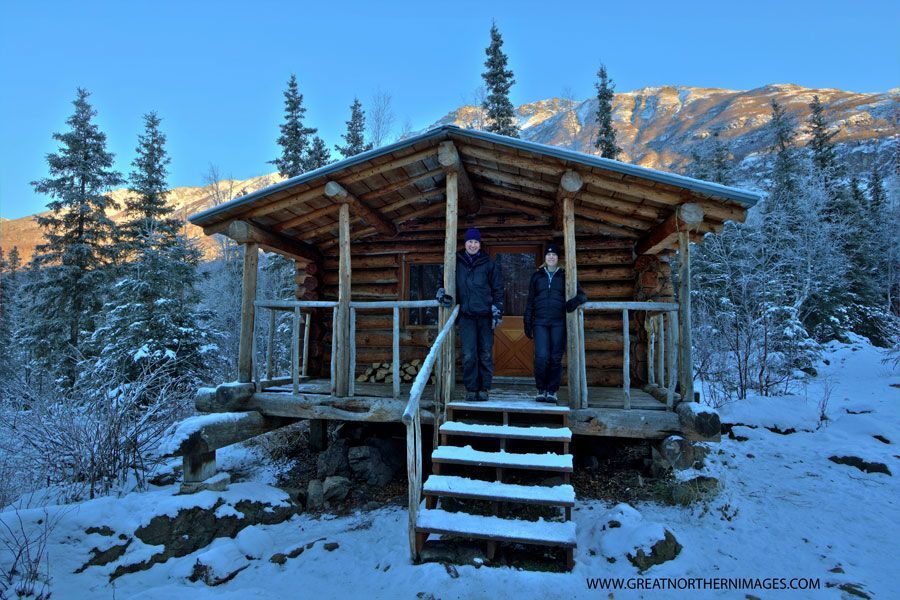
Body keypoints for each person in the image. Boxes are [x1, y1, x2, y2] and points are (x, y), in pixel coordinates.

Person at [436, 228, 503, 401]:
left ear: (480, 244)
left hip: (485, 316)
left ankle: (484, 388)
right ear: (465, 243)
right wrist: (442, 293)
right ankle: (471, 388)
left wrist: (497, 309)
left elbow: (498, 289)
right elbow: (442, 281)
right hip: (466, 316)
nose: (473, 245)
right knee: (468, 354)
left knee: (485, 353)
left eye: (476, 242)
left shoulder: (489, 263)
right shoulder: (455, 262)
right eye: (470, 242)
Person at [523, 243, 586, 403]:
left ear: (558, 258)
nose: (551, 257)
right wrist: (527, 321)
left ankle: (552, 391)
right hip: (540, 322)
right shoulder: (537, 276)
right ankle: (541, 389)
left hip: (559, 322)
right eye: (548, 255)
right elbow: (530, 301)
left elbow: (583, 295)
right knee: (542, 356)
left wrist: (575, 301)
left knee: (555, 358)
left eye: (554, 255)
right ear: (545, 258)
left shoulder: (566, 275)